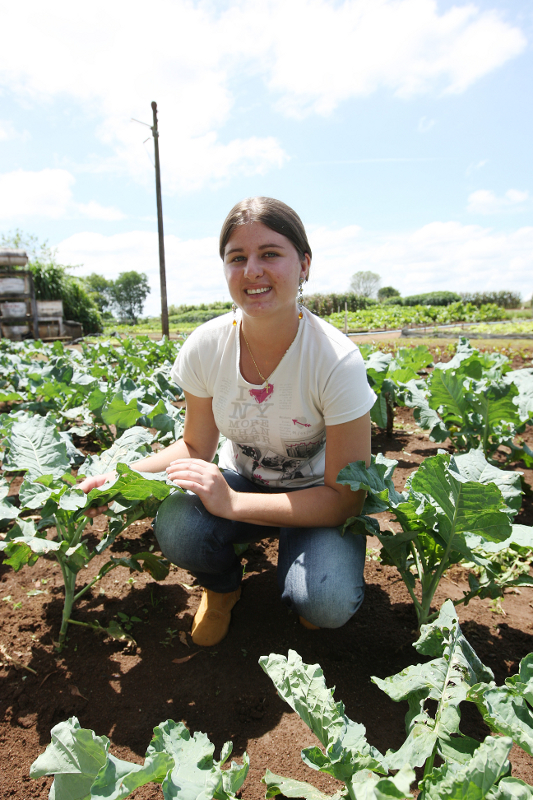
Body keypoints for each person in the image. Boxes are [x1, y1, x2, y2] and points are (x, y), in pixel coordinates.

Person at [79, 197, 376, 646]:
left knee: (325, 604)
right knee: (178, 525)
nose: (252, 270)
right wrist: (120, 477)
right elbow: (196, 446)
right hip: (245, 480)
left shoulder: (336, 361)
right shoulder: (206, 346)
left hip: (317, 502)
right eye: (237, 258)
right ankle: (222, 589)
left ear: (305, 264)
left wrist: (232, 506)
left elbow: (344, 500)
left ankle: (309, 578)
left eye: (270, 254)